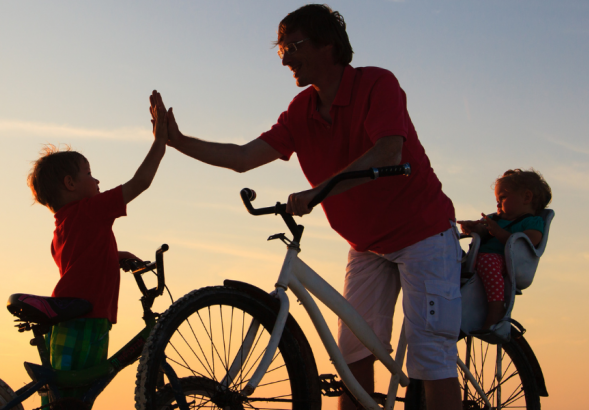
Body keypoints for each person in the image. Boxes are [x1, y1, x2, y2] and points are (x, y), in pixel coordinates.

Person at [150, 4, 463, 409]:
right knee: (352, 358)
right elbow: (244, 157)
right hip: (366, 244)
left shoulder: (376, 84)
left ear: (328, 45)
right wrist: (179, 140)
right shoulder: (301, 111)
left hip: (423, 234)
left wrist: (321, 191)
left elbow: (389, 150)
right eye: (281, 51)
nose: (286, 59)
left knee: (431, 355)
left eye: (294, 46)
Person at [26, 91, 170, 406]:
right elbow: (140, 182)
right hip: (86, 318)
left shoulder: (62, 230)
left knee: (66, 398)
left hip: (73, 319)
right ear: (70, 184)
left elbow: (82, 261)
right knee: (73, 400)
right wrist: (161, 141)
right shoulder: (91, 210)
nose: (97, 180)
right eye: (89, 174)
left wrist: (116, 257)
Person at [458, 169, 552, 330]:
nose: (497, 204)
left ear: (526, 197)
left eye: (503, 198)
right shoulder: (496, 219)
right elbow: (483, 232)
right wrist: (473, 228)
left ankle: (496, 308)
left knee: (488, 260)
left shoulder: (532, 222)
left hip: (504, 262)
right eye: (497, 199)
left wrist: (498, 232)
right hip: (478, 260)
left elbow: (528, 242)